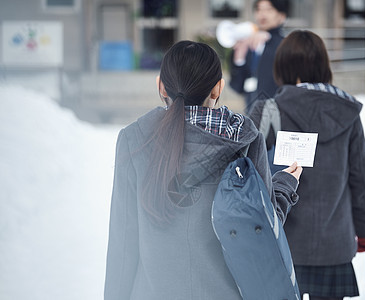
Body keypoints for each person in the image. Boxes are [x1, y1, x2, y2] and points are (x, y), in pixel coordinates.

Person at [104, 40, 302, 300]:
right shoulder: (244, 138)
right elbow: (262, 227)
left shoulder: (134, 139)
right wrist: (285, 184)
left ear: (161, 86)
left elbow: (123, 242)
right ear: (218, 87)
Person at [248, 30, 365, 300]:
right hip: (335, 246)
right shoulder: (348, 112)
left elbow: (247, 173)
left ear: (283, 67)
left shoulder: (269, 110)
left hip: (281, 242)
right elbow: (360, 178)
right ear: (323, 65)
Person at [229, 0, 289, 111]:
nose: (262, 14)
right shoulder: (247, 42)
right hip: (251, 114)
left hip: (279, 113)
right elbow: (237, 86)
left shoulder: (286, 45)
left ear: (282, 16)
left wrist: (270, 38)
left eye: (269, 9)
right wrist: (239, 59)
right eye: (259, 9)